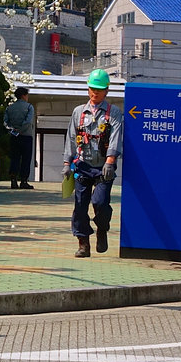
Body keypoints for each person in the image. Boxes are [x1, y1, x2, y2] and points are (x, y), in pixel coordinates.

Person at [63, 68, 124, 257]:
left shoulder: (113, 113)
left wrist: (110, 160)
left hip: (104, 167)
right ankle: (83, 244)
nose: (95, 92)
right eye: (92, 88)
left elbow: (116, 137)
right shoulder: (78, 112)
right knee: (80, 206)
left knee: (100, 202)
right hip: (83, 165)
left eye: (99, 89)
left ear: (107, 90)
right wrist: (67, 163)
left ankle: (102, 230)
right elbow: (71, 138)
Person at [3, 86, 36, 189]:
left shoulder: (10, 108)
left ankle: (13, 180)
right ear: (23, 96)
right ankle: (23, 181)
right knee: (26, 159)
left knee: (15, 158)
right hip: (26, 136)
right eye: (27, 95)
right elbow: (28, 121)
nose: (27, 97)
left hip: (14, 137)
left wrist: (13, 130)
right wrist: (21, 130)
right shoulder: (29, 107)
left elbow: (5, 122)